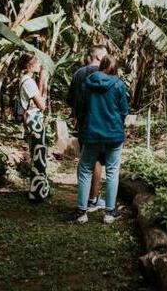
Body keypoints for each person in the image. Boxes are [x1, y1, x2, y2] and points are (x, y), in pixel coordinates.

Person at [72, 55, 129, 224]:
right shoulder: (118, 85)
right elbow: (124, 110)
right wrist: (117, 121)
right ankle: (110, 213)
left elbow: (81, 107)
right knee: (112, 171)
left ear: (100, 66)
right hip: (114, 134)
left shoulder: (88, 83)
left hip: (91, 133)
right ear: (115, 68)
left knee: (85, 170)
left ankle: (82, 212)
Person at [67, 45, 109, 212]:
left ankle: (83, 199)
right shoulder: (105, 74)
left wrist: (77, 114)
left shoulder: (78, 74)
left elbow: (70, 99)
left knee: (84, 159)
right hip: (101, 123)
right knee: (98, 160)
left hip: (84, 123)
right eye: (105, 55)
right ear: (98, 56)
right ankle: (93, 199)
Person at [18, 53, 50, 201]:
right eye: (36, 62)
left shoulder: (25, 80)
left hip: (31, 120)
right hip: (34, 120)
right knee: (39, 155)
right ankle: (37, 192)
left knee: (37, 153)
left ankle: (39, 189)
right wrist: (44, 84)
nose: (39, 64)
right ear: (29, 66)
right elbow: (42, 105)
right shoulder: (29, 82)